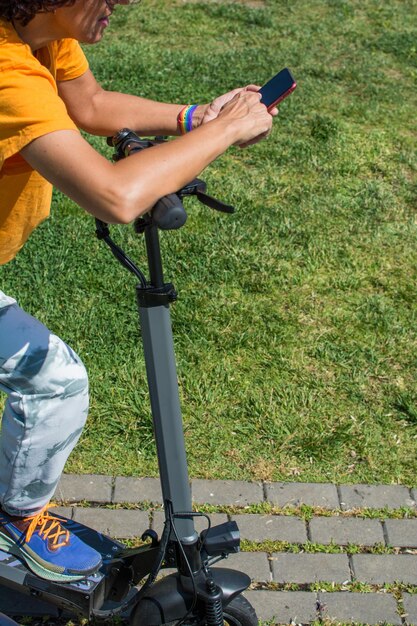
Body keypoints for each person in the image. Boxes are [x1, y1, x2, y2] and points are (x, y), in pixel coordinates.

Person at [0, 0, 275, 582]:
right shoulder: (6, 68)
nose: (121, 4)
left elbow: (90, 105)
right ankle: (15, 522)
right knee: (54, 380)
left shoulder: (42, 34)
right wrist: (226, 130)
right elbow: (115, 195)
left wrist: (195, 117)